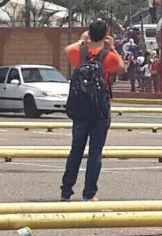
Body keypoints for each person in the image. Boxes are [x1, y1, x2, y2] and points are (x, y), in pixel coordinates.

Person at [61, 21, 125, 202]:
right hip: (100, 109)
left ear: (89, 33)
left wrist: (82, 41)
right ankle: (89, 193)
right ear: (106, 35)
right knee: (95, 152)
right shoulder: (108, 56)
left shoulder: (79, 53)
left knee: (75, 150)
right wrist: (112, 47)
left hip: (80, 109)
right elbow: (121, 67)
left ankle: (66, 190)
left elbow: (67, 49)